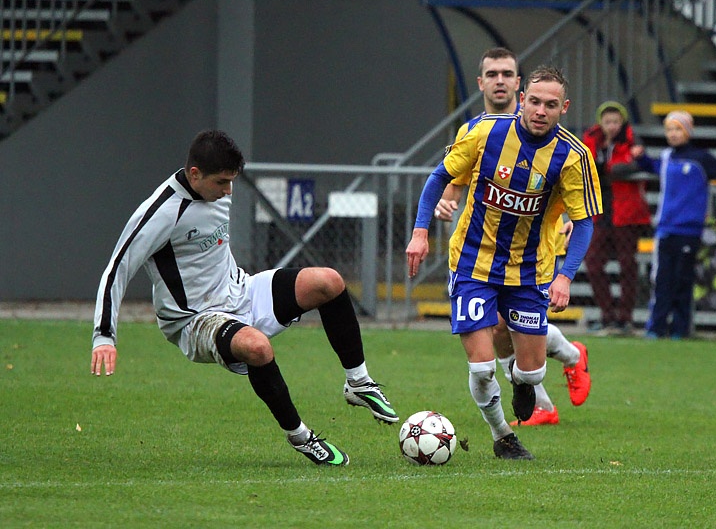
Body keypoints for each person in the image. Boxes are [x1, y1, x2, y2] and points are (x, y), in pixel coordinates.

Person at [90, 130, 397, 467]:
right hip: (196, 319)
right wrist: (104, 335)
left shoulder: (217, 190)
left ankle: (358, 383)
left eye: (233, 181)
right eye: (222, 182)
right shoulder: (161, 212)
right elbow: (116, 268)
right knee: (257, 347)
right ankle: (302, 437)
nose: (229, 191)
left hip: (242, 290)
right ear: (195, 175)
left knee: (329, 282)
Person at [406, 66, 601, 459]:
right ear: (522, 100)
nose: (540, 111)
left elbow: (583, 223)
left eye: (550, 104)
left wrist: (565, 277)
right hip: (472, 264)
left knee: (531, 371)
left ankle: (524, 382)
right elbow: (438, 178)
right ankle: (502, 437)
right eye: (534, 101)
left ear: (563, 108)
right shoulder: (484, 132)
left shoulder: (574, 156)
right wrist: (420, 232)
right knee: (481, 368)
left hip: (530, 271)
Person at [633, 111, 716, 339]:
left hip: (689, 230)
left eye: (678, 129)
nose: (673, 134)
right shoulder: (668, 156)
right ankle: (656, 327)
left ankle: (680, 329)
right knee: (662, 281)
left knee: (683, 281)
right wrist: (641, 158)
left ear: (688, 131)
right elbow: (653, 167)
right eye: (669, 129)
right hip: (666, 230)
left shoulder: (701, 159)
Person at [581, 100, 651, 335]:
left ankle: (625, 317)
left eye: (616, 121)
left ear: (622, 122)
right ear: (600, 122)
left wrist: (618, 168)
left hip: (625, 210)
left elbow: (632, 165)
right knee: (593, 262)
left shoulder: (632, 142)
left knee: (626, 264)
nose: (611, 126)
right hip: (600, 210)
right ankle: (607, 314)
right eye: (607, 121)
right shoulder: (591, 141)